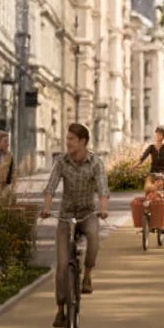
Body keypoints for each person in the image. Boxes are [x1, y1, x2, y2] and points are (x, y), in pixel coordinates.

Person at [50, 123, 108, 297]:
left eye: (71, 139)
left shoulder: (95, 162)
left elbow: (102, 189)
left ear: (83, 141)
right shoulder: (61, 161)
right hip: (66, 216)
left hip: (87, 213)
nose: (67, 142)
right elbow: (51, 187)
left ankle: (87, 275)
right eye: (67, 138)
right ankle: (61, 310)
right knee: (61, 265)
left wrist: (103, 209)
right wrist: (46, 208)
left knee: (93, 238)